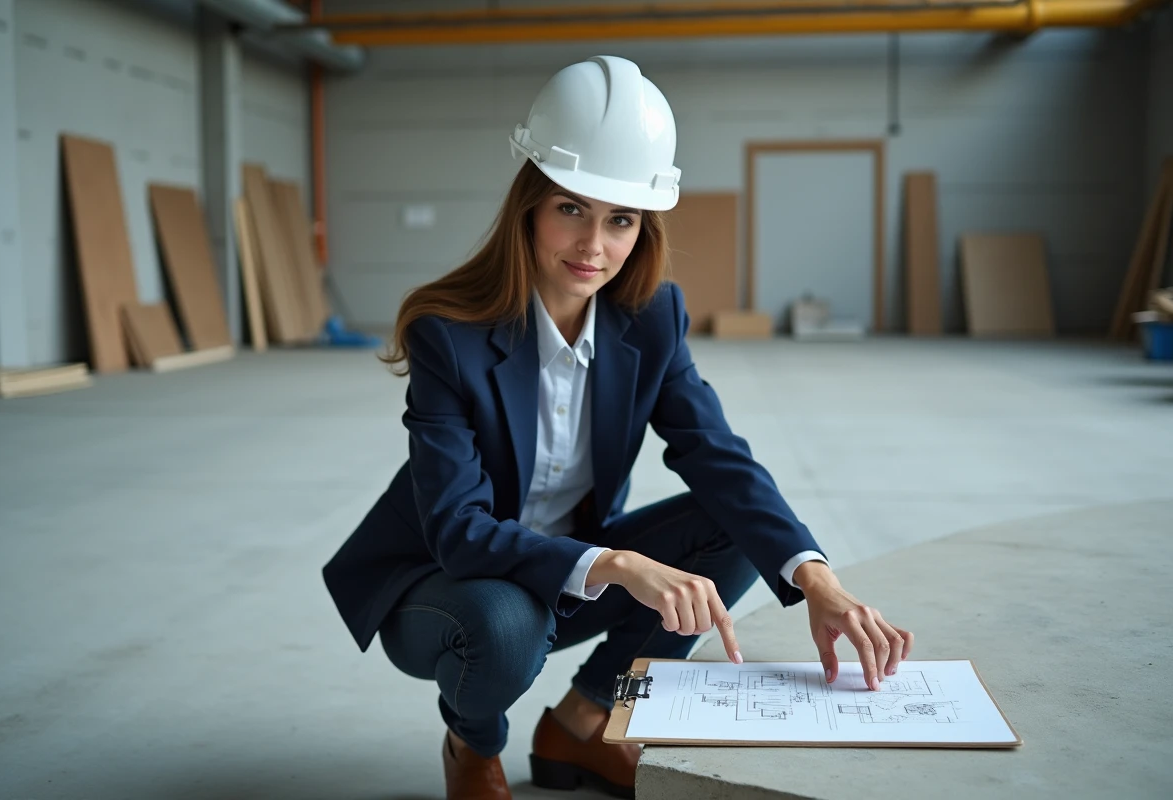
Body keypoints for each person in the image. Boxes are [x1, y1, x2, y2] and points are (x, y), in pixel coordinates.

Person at [322, 55, 913, 800]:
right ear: (530, 205)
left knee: (725, 527)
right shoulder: (451, 334)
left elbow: (717, 456)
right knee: (503, 624)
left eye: (620, 219)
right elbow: (458, 530)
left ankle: (583, 720)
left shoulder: (651, 319)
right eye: (572, 208)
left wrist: (818, 580)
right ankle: (471, 743)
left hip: (566, 577)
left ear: (644, 224)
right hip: (447, 588)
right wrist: (619, 565)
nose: (593, 246)